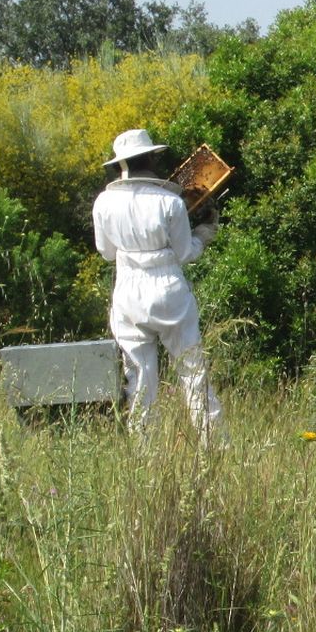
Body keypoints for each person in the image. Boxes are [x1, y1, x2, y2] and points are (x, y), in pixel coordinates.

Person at [92, 128, 227, 445]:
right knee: (192, 372)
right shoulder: (170, 202)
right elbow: (184, 253)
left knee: (138, 379)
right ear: (152, 156)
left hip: (127, 292)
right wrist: (205, 232)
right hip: (168, 290)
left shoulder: (103, 202)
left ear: (120, 164)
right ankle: (215, 447)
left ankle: (144, 452)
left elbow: (106, 252)